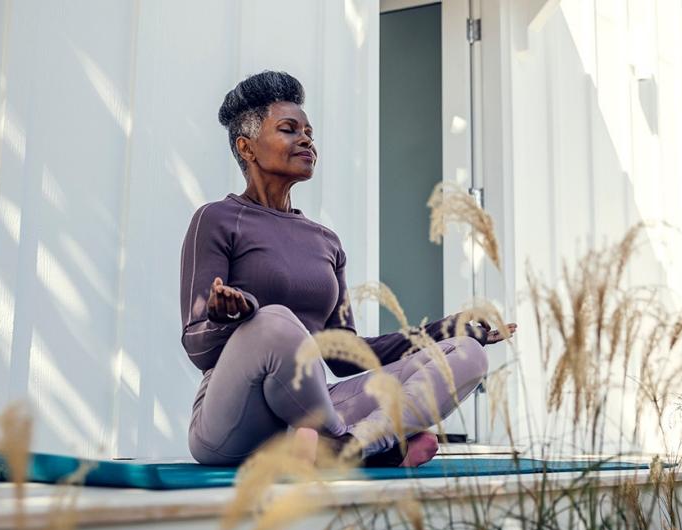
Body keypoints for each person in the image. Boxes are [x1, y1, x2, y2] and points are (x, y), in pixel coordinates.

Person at [180, 71, 516, 467]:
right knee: (274, 321)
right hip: (232, 424)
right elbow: (196, 345)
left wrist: (447, 329)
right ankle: (357, 445)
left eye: (309, 132)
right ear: (247, 147)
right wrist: (224, 319)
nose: (306, 140)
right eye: (289, 130)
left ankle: (350, 444)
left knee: (466, 354)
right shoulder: (217, 219)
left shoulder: (325, 241)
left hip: (307, 418)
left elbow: (345, 354)